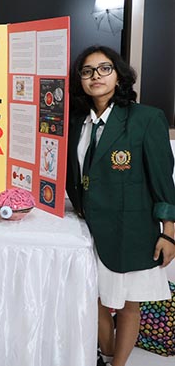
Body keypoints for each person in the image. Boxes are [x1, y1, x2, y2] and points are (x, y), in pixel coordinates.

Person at [65, 45, 175, 366]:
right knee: (95, 298)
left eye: (104, 68)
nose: (95, 76)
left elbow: (162, 180)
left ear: (119, 75)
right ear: (80, 80)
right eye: (87, 71)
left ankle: (118, 364)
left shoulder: (146, 119)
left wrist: (169, 231)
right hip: (87, 229)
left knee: (128, 305)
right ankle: (108, 354)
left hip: (131, 228)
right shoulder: (76, 122)